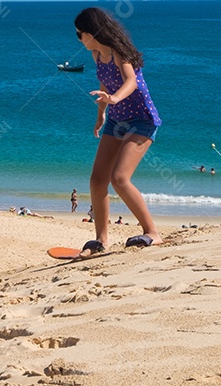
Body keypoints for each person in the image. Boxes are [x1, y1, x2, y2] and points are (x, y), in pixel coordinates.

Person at [73, 7, 162, 256]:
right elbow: (104, 83)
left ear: (91, 32)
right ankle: (101, 241)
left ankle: (153, 233)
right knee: (97, 179)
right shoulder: (96, 54)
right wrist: (101, 113)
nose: (79, 39)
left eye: (80, 34)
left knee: (120, 178)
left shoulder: (119, 52)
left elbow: (130, 82)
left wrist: (113, 98)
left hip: (142, 120)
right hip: (116, 120)